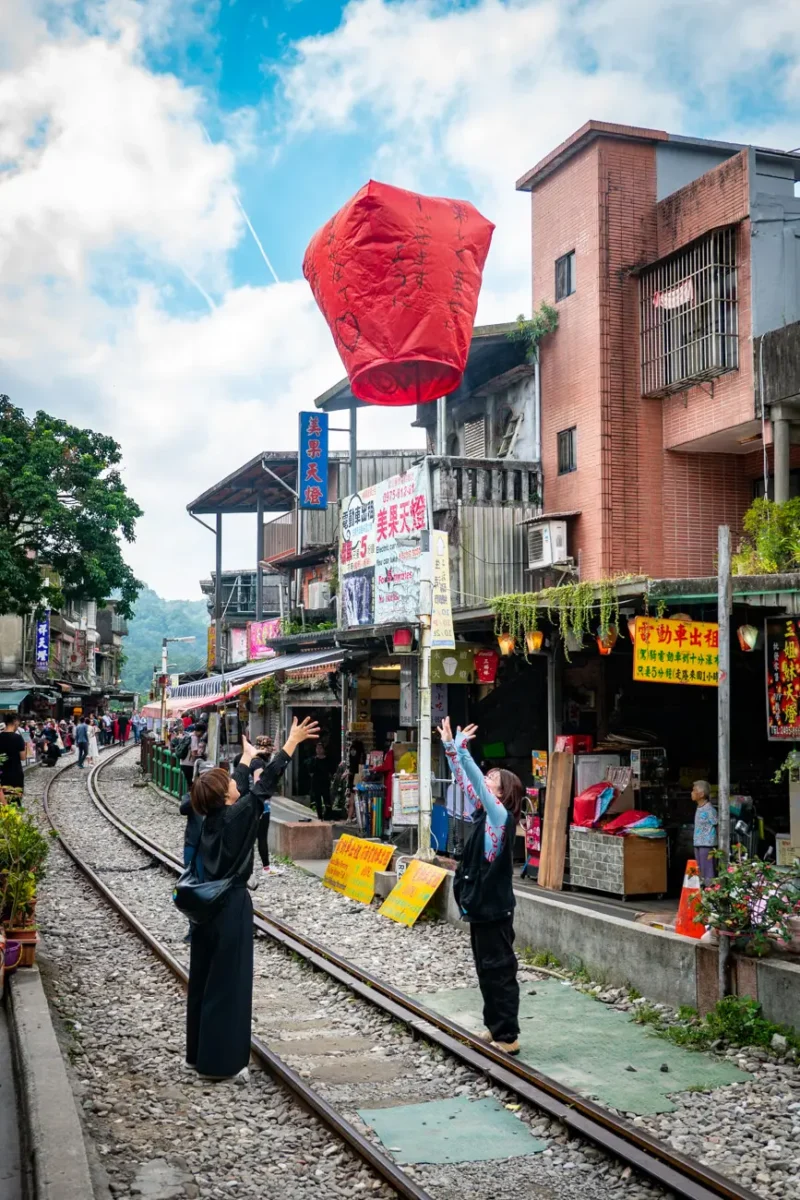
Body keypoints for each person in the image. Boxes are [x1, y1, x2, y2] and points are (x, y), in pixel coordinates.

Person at [185, 717, 319, 1081]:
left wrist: (245, 758)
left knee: (203, 978)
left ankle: (197, 1054)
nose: (235, 782)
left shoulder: (212, 818)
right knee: (229, 983)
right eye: (229, 782)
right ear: (225, 796)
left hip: (205, 908)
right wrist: (290, 743)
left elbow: (243, 785)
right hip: (230, 906)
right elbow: (263, 786)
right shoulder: (236, 817)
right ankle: (221, 1064)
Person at [438, 717, 522, 1055]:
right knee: (486, 969)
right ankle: (495, 1026)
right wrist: (450, 748)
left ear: (501, 793)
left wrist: (463, 751)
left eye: (492, 780)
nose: (485, 780)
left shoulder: (500, 817)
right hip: (481, 906)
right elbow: (464, 780)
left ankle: (508, 1036)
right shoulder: (485, 813)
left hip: (494, 909)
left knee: (499, 970)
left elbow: (471, 776)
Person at [692, 780, 718, 885]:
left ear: (701, 794)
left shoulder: (709, 809)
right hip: (698, 843)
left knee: (707, 871)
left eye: (694, 790)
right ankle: (701, 889)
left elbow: (717, 825)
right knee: (699, 870)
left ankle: (709, 890)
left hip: (707, 844)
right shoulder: (699, 808)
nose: (692, 793)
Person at [0, 714, 27, 801]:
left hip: (2, 774)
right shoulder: (18, 738)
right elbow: (23, 757)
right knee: (15, 800)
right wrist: (26, 746)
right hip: (15, 773)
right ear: (15, 721)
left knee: (3, 801)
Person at [309, 741, 333, 820]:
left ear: (323, 749)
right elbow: (310, 771)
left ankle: (328, 815)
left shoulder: (327, 759)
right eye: (317, 748)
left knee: (327, 799)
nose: (319, 750)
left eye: (320, 748)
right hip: (316, 782)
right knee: (317, 800)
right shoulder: (313, 760)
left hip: (325, 782)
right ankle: (320, 816)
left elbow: (331, 770)